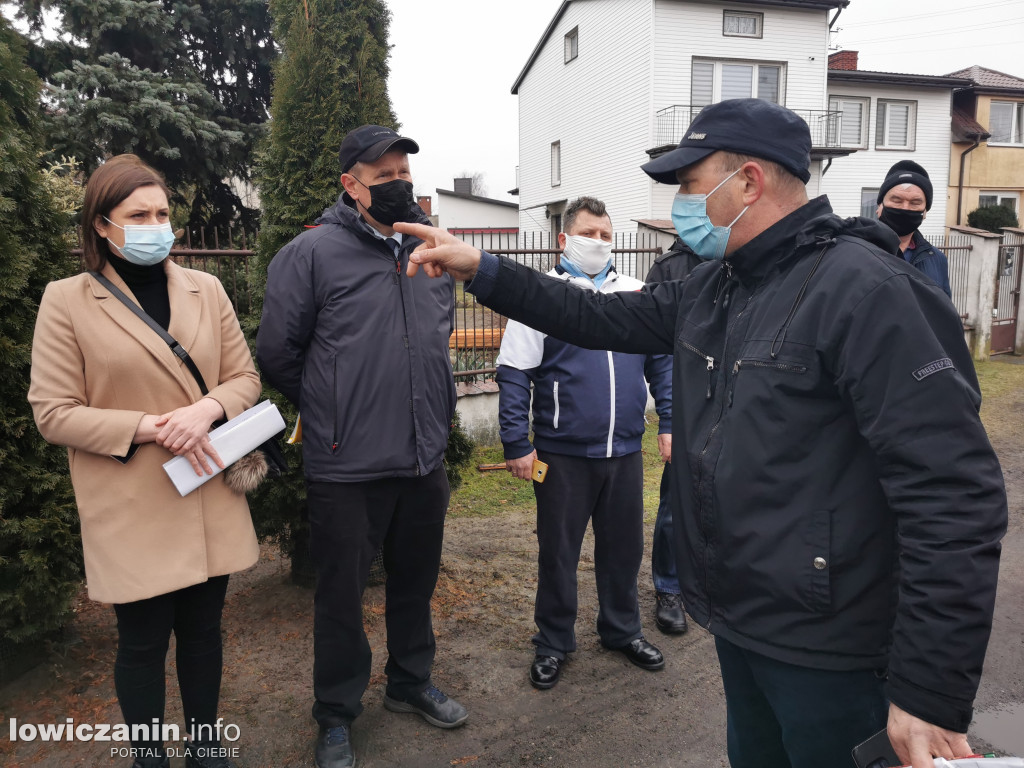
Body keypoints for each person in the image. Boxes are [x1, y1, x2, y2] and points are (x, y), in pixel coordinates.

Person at [395, 99, 1007, 768]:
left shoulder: (868, 292)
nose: (681, 204)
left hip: (836, 649)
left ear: (747, 181)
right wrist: (481, 269)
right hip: (746, 626)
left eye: (689, 185)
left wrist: (927, 688)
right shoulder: (714, 286)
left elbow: (952, 495)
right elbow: (591, 316)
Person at [28, 154, 262, 768]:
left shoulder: (205, 289)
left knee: (204, 633)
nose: (156, 224)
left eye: (162, 212)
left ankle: (206, 748)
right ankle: (148, 756)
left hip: (207, 485)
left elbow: (244, 377)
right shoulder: (66, 301)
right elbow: (53, 412)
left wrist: (207, 408)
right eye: (139, 214)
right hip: (130, 499)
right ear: (102, 224)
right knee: (141, 643)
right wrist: (149, 426)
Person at [256, 125, 465, 768]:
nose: (400, 185)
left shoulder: (431, 254)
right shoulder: (310, 255)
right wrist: (332, 409)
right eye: (384, 177)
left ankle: (409, 683)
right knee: (342, 597)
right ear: (350, 186)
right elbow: (278, 355)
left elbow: (437, 339)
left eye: (405, 174)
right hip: (346, 464)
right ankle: (337, 713)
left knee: (415, 582)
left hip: (423, 456)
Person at [496, 196, 672, 689]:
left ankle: (622, 631)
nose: (598, 243)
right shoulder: (542, 298)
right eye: (588, 233)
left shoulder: (635, 292)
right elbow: (515, 374)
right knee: (559, 552)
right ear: (563, 239)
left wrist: (669, 423)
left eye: (605, 235)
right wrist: (515, 441)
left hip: (624, 452)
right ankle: (553, 641)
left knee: (623, 550)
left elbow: (661, 364)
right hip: (562, 454)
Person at [644, 238, 703, 636]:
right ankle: (669, 588)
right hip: (688, 404)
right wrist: (668, 417)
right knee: (673, 505)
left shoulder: (752, 257)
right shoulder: (670, 267)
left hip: (741, 402)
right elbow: (656, 344)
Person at [876, 160, 952, 298]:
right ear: (879, 207)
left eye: (915, 203)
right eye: (897, 200)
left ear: (924, 213)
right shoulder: (855, 251)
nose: (905, 208)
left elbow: (944, 311)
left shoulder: (937, 259)